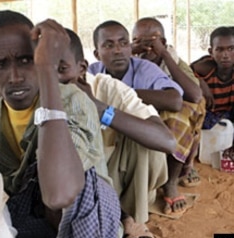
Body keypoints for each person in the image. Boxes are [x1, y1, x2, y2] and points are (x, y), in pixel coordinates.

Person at [0, 10, 121, 238]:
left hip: (79, 223)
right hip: (22, 218)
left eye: (27, 60)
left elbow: (60, 194)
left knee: (77, 177)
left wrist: (47, 70)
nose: (15, 77)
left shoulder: (73, 100)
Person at [58, 27, 177, 238]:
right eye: (42, 72)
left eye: (60, 69)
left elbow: (167, 141)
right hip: (64, 186)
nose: (51, 80)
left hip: (111, 177)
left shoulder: (108, 88)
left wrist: (100, 109)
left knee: (142, 137)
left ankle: (130, 216)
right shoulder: (29, 97)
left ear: (81, 68)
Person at [88, 20, 199, 215]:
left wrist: (119, 93)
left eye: (123, 43)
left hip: (139, 140)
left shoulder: (145, 68)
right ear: (97, 54)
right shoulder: (93, 73)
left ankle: (141, 209)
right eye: (108, 45)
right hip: (106, 144)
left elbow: (176, 100)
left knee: (153, 133)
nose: (117, 50)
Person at [131, 17, 205, 191]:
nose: (144, 48)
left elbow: (195, 96)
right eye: (137, 42)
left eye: (149, 43)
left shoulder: (174, 61)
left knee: (180, 116)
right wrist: (128, 51)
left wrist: (163, 54)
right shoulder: (129, 61)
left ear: (162, 43)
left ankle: (171, 182)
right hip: (141, 112)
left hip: (168, 111)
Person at [191, 26, 234, 160]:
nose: (225, 54)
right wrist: (200, 82)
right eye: (219, 49)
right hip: (208, 115)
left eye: (231, 49)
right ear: (211, 52)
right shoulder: (204, 67)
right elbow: (183, 72)